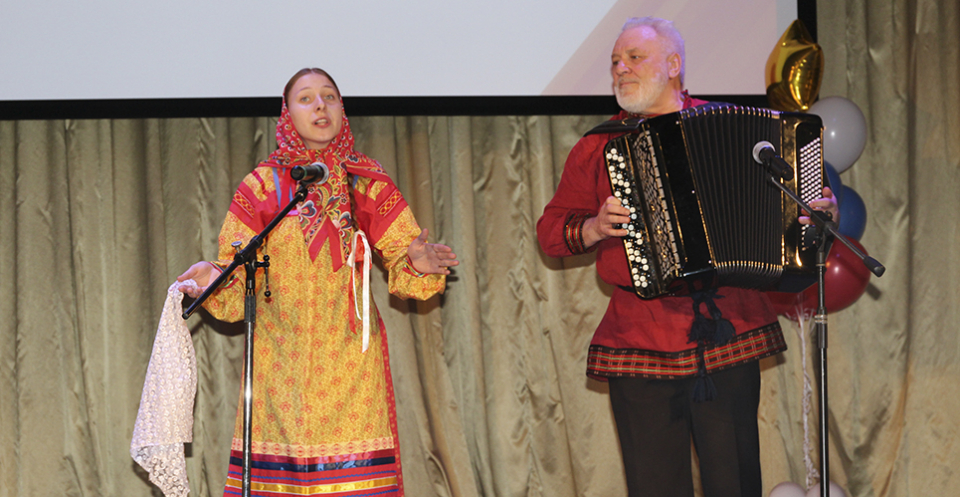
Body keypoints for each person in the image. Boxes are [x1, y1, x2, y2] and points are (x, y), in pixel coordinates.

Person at [535, 17, 838, 497]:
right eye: (616, 61)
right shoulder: (597, 146)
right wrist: (593, 227)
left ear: (674, 65)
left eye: (634, 58)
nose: (620, 69)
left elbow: (794, 206)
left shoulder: (745, 130)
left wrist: (816, 211)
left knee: (735, 484)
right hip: (639, 336)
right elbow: (551, 232)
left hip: (728, 330)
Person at [177, 67, 458, 497]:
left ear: (342, 109)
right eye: (306, 98)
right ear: (287, 114)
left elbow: (404, 258)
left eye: (329, 96)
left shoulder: (364, 178)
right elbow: (235, 276)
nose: (320, 105)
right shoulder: (260, 187)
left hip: (348, 361)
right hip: (279, 360)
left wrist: (418, 261)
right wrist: (211, 277)